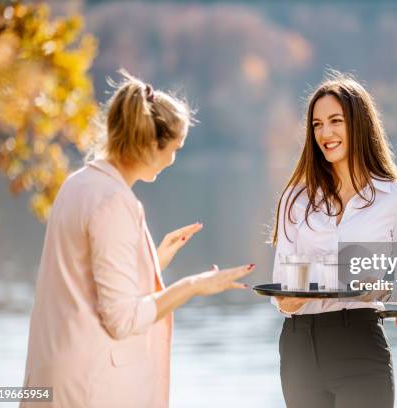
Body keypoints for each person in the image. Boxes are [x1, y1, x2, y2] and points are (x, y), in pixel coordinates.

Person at [21, 70, 254, 408]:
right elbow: (122, 320)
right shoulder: (115, 201)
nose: (173, 159)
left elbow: (87, 285)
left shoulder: (78, 184)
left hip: (53, 379)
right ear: (149, 144)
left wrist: (152, 263)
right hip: (90, 388)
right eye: (174, 149)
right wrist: (195, 285)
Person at [271, 71, 397, 408]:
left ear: (359, 124)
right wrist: (288, 300)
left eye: (335, 121)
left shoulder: (396, 198)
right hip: (300, 347)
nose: (325, 133)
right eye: (316, 124)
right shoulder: (294, 198)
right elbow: (280, 287)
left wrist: (382, 286)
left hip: (358, 340)